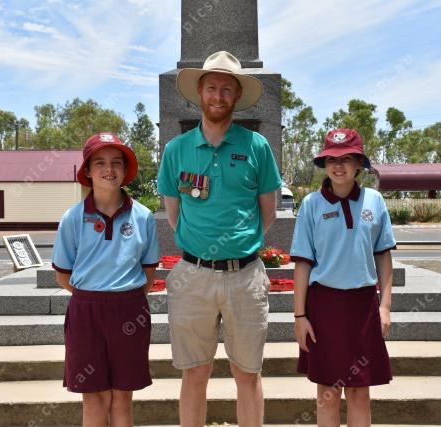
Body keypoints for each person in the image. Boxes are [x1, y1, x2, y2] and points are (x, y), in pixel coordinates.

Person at [157, 50, 282, 427]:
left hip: (245, 277)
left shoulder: (256, 147)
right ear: (199, 92)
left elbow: (268, 212)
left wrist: (237, 247)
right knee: (195, 372)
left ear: (237, 95)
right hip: (193, 277)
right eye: (211, 87)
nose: (218, 95)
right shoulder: (176, 150)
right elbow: (174, 214)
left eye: (227, 89)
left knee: (248, 373)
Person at [52, 132, 159, 427]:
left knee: (123, 397)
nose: (108, 169)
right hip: (86, 312)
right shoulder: (72, 218)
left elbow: (148, 274)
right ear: (87, 170)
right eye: (99, 162)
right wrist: (95, 295)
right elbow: (63, 275)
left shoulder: (143, 217)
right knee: (94, 397)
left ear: (125, 170)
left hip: (130, 310)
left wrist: (121, 297)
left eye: (116, 162)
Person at [290, 129, 396, 427]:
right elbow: (302, 264)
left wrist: (385, 306)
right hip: (323, 307)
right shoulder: (312, 204)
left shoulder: (374, 200)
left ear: (359, 163)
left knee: (360, 392)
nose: (338, 166)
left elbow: (383, 256)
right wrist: (299, 316)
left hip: (363, 306)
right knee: (328, 392)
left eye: (347, 158)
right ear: (324, 164)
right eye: (331, 159)